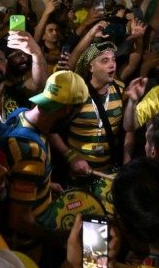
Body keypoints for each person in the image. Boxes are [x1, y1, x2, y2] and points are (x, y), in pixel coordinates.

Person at [0, 70, 89, 259]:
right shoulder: (32, 152)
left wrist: (43, 186)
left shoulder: (20, 115)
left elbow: (18, 175)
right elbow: (19, 221)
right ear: (69, 110)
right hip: (26, 247)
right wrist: (65, 237)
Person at [51, 41, 124, 175]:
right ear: (90, 67)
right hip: (78, 175)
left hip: (109, 173)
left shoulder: (120, 90)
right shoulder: (77, 93)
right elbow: (52, 130)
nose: (112, 64)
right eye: (105, 61)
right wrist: (70, 157)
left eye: (113, 59)